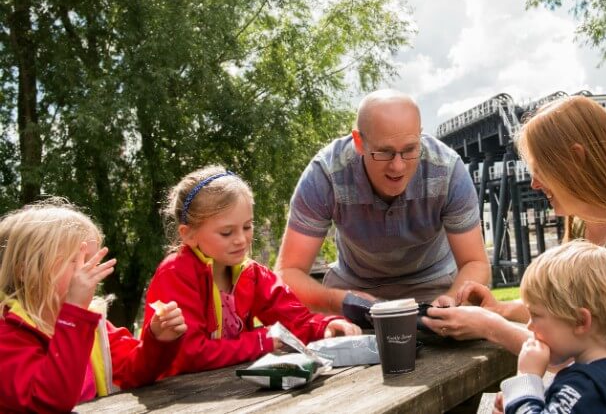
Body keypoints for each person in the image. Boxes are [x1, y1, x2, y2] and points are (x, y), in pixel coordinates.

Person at [422, 95, 606, 413]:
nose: (533, 183)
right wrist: (502, 309)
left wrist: (490, 327)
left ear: (575, 158)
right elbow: (572, 310)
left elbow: (589, 351)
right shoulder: (582, 227)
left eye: (540, 170)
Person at [276, 89, 490, 314]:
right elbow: (287, 273)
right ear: (359, 142)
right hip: (351, 289)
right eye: (384, 153)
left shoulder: (448, 170)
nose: (398, 166)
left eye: (409, 150)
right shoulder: (326, 175)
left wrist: (451, 300)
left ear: (420, 135)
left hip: (435, 285)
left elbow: (475, 263)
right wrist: (335, 300)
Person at [143, 166, 360, 377]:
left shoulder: (251, 273)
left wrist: (325, 327)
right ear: (189, 235)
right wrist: (260, 341)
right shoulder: (175, 274)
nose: (241, 240)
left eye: (247, 227)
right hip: (177, 396)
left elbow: (293, 319)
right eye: (226, 232)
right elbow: (189, 353)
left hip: (226, 385)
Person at [0, 201, 187, 412]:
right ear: (25, 272)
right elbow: (45, 402)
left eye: (93, 261)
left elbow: (132, 371)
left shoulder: (93, 324)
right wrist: (74, 316)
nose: (90, 271)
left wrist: (158, 340)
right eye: (78, 260)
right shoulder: (9, 334)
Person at [500, 240, 606, 414]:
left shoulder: (582, 388)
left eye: (536, 315)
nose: (529, 325)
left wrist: (525, 381)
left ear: (580, 321)